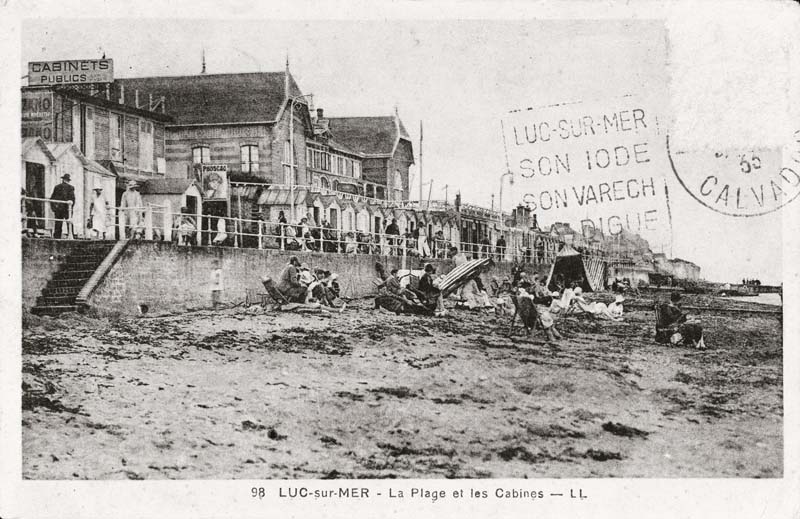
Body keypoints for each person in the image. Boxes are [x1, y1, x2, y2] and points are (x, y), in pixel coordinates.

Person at [49, 174, 75, 239]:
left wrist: (54, 208)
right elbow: (73, 199)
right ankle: (71, 236)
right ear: (68, 180)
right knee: (69, 223)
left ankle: (57, 238)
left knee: (58, 224)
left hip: (58, 208)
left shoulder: (57, 187)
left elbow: (52, 198)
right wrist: (71, 208)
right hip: (67, 208)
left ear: (63, 179)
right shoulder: (71, 188)